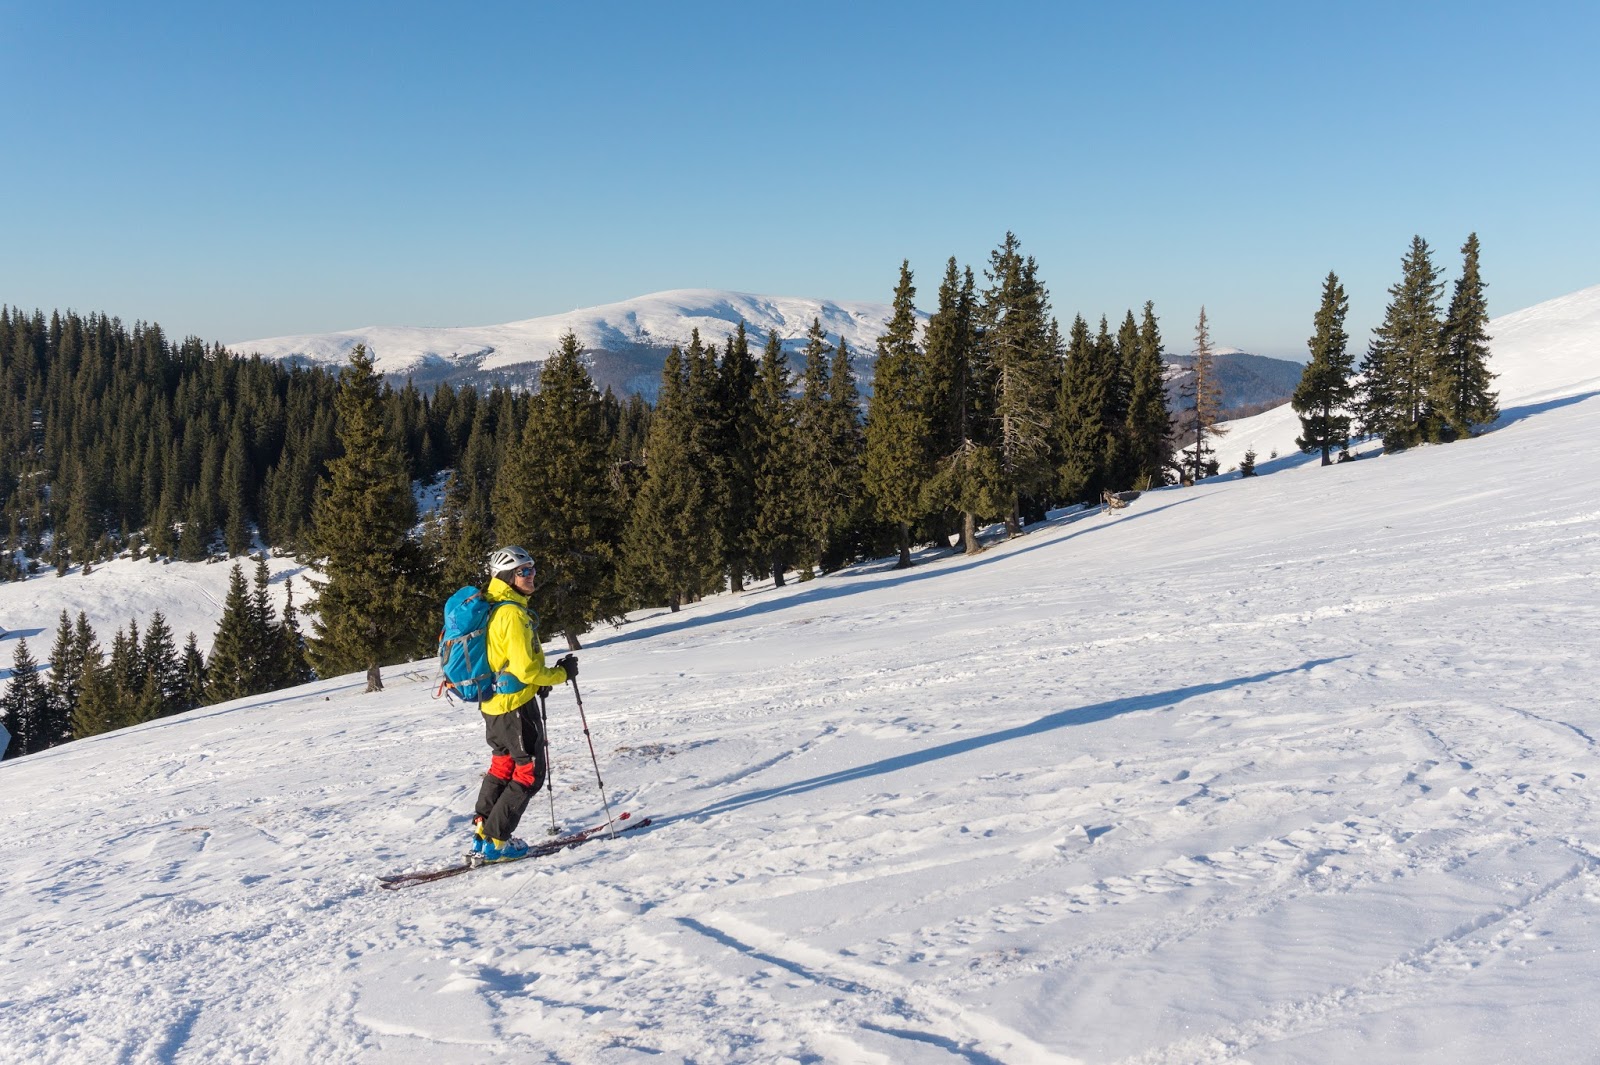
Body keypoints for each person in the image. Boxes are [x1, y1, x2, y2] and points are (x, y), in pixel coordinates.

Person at [472, 545, 578, 861]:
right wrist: (560, 674)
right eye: (524, 571)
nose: (532, 576)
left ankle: (482, 832)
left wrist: (536, 684)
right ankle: (496, 842)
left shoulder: (492, 606)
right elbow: (526, 669)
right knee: (529, 772)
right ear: (507, 577)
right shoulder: (512, 614)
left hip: (492, 705)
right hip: (515, 706)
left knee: (502, 765)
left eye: (532, 569)